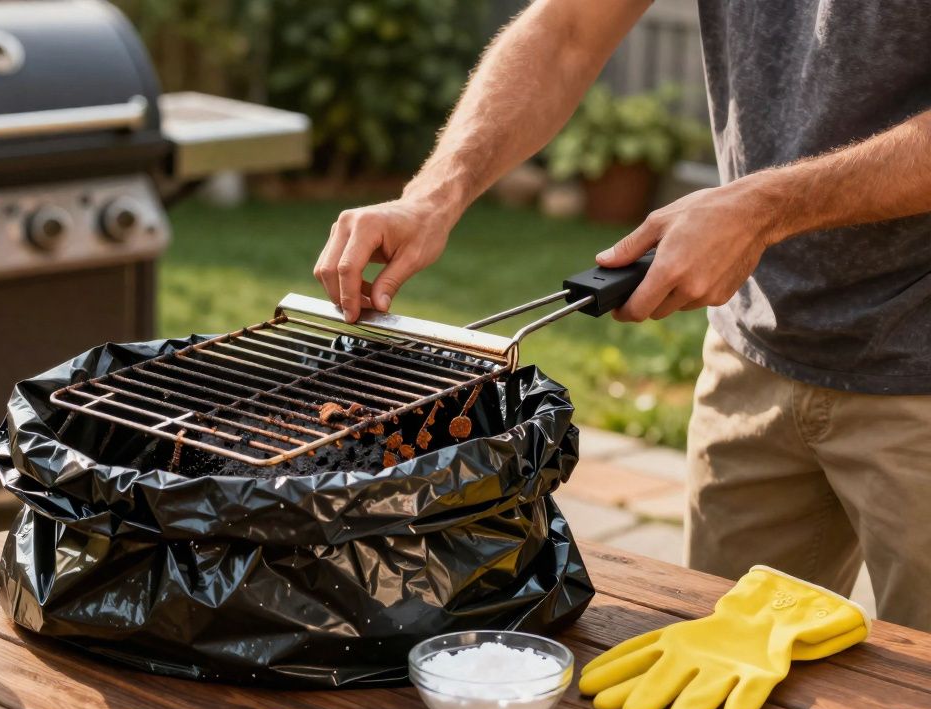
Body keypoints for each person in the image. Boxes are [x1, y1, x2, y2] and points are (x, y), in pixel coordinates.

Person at [314, 0, 931, 632]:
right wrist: (432, 196)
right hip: (755, 352)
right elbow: (567, 30)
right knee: (716, 662)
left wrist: (764, 208)